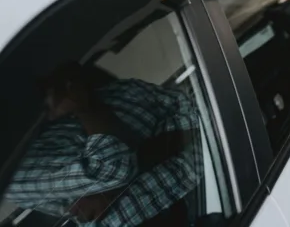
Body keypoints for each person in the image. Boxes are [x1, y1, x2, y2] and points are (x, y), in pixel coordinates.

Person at [5, 62, 201, 227]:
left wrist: (112, 189)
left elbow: (194, 115)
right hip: (157, 216)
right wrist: (85, 108)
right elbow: (112, 169)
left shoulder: (116, 91)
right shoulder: (13, 172)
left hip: (208, 177)